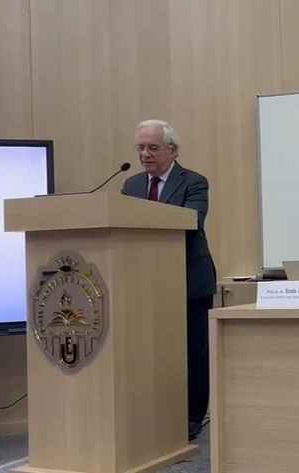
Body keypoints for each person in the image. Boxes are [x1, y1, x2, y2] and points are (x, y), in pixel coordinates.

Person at [121, 119, 217, 441]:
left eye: (152, 148)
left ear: (172, 150)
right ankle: (155, 413)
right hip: (145, 284)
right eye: (140, 148)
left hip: (189, 280)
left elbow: (192, 221)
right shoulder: (131, 185)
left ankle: (192, 417)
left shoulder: (194, 181)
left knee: (194, 353)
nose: (144, 155)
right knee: (152, 351)